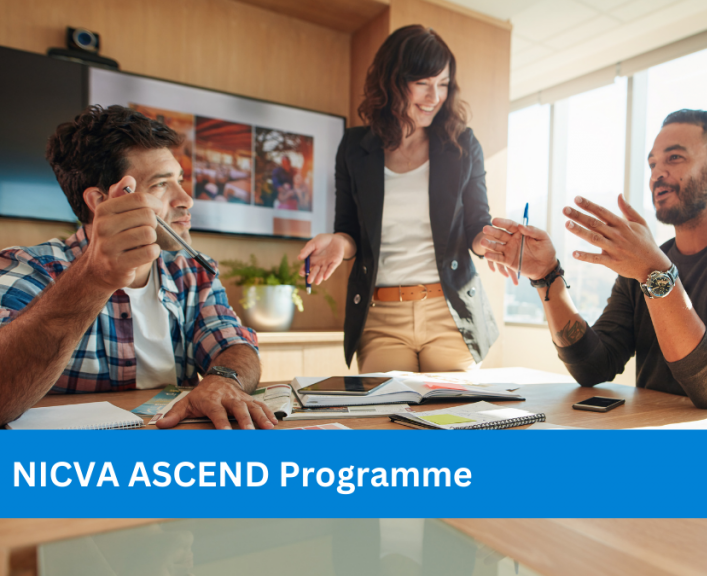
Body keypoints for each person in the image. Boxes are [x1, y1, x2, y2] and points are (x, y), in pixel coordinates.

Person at [482, 110, 707, 409]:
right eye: (652, 164)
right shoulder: (646, 262)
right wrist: (547, 275)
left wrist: (654, 270)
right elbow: (593, 366)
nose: (657, 174)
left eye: (674, 158)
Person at [0, 105, 275, 430]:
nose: (186, 199)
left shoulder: (192, 272)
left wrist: (223, 379)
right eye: (161, 184)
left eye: (180, 180)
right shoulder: (28, 267)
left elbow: (233, 345)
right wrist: (93, 279)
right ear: (102, 201)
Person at [299, 25, 510, 373]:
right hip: (382, 318)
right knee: (386, 421)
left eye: (443, 84)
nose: (435, 97)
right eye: (423, 83)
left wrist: (494, 241)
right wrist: (338, 242)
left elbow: (477, 224)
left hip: (450, 312)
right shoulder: (354, 147)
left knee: (456, 422)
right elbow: (349, 230)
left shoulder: (462, 145)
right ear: (393, 81)